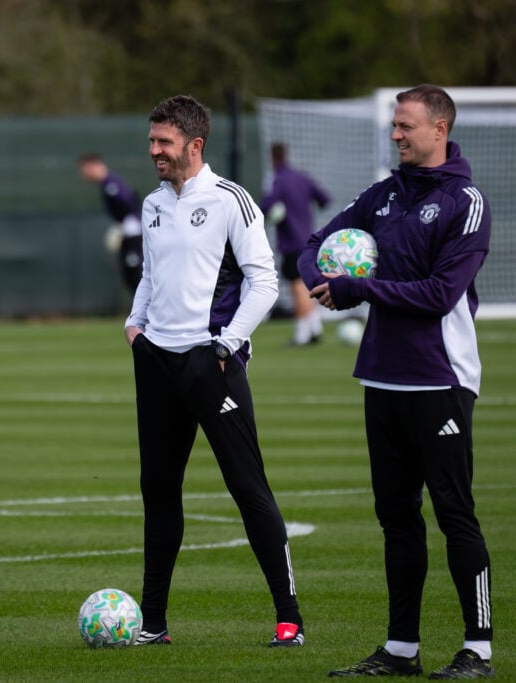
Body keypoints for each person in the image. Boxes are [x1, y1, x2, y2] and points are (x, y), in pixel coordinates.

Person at [299, 85, 495, 679]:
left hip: (440, 378)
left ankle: (478, 649)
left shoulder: (467, 202)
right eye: (394, 125)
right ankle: (401, 649)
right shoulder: (381, 195)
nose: (396, 135)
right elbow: (314, 244)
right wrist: (323, 283)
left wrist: (359, 288)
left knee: (454, 513)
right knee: (396, 518)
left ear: (439, 129)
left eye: (406, 126)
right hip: (382, 377)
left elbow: (439, 294)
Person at [124, 94, 306, 648]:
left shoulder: (232, 200)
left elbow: (266, 283)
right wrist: (135, 326)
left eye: (164, 142)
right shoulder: (154, 203)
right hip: (156, 362)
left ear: (194, 145)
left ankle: (289, 619)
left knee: (247, 486)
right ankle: (152, 624)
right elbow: (152, 275)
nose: (154, 150)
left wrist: (227, 345)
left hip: (212, 364)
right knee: (158, 489)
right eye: (152, 140)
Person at [260, 142, 331, 346]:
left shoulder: (278, 180)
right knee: (303, 285)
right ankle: (315, 328)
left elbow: (266, 207)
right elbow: (324, 199)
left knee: (297, 286)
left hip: (291, 242)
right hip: (309, 240)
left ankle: (302, 335)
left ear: (272, 158)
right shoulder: (302, 177)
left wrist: (275, 214)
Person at [78, 152, 144, 294]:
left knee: (134, 272)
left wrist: (122, 226)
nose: (83, 174)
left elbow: (129, 201)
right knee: (129, 275)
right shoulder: (107, 184)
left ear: (93, 166)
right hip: (129, 231)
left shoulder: (111, 183)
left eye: (84, 169)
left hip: (134, 233)